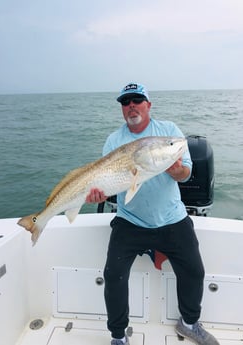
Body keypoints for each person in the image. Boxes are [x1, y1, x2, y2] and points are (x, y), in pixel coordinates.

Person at [86, 82, 219, 345]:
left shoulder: (168, 132)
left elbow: (186, 172)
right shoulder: (114, 140)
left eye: (137, 100)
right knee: (113, 275)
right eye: (126, 102)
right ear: (123, 109)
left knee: (195, 270)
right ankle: (118, 336)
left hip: (171, 217)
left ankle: (189, 323)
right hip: (130, 220)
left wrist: (175, 170)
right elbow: (108, 182)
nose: (131, 106)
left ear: (149, 105)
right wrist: (98, 193)